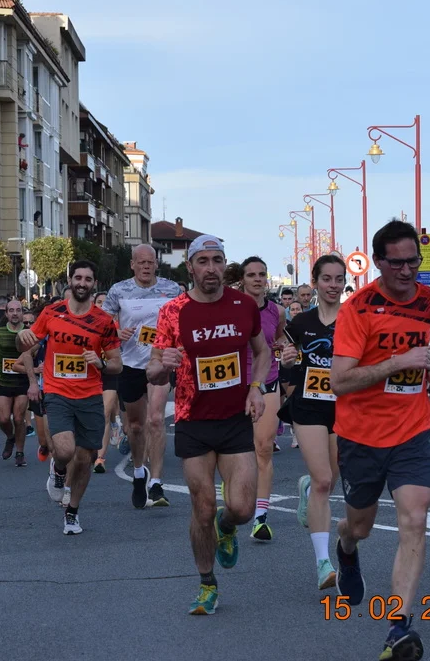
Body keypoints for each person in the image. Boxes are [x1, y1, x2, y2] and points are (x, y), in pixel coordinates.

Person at [330, 220, 430, 660]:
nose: (407, 271)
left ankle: (399, 627)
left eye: (413, 262)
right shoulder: (358, 309)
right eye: (397, 263)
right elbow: (340, 381)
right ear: (379, 262)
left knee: (415, 518)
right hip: (361, 435)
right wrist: (395, 363)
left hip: (412, 430)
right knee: (360, 527)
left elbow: (417, 358)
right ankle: (346, 547)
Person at [146, 235, 270, 615]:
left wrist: (256, 388)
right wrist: (162, 366)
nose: (211, 268)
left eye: (218, 260)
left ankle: (227, 525)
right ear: (191, 267)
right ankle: (207, 583)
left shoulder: (243, 305)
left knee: (243, 509)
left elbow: (262, 351)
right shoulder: (172, 312)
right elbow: (152, 370)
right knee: (201, 508)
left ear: (225, 265)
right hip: (192, 419)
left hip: (234, 419)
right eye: (203, 261)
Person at [16, 260, 122, 535]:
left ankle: (72, 512)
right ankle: (59, 468)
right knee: (64, 450)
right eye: (78, 278)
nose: (82, 283)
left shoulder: (104, 322)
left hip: (90, 395)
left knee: (86, 459)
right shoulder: (51, 313)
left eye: (88, 279)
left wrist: (100, 362)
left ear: (94, 284)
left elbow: (117, 364)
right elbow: (25, 347)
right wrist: (23, 337)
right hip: (57, 391)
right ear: (70, 280)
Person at [281, 253, 345, 589]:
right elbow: (286, 360)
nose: (333, 285)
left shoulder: (353, 320)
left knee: (329, 479)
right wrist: (287, 360)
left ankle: (306, 489)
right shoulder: (300, 323)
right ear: (315, 282)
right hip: (308, 406)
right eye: (327, 279)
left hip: (343, 407)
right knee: (323, 480)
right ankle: (323, 563)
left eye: (339, 279)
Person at [101, 244, 181, 506]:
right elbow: (101, 323)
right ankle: (139, 472)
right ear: (132, 265)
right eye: (141, 262)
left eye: (150, 262)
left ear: (157, 264)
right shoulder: (119, 290)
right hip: (130, 364)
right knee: (135, 426)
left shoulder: (172, 289)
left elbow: (184, 320)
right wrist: (116, 332)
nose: (146, 266)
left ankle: (156, 483)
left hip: (160, 362)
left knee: (156, 419)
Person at [238, 256, 285, 541]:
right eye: (252, 275)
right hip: (235, 384)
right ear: (242, 279)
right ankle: (233, 492)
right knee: (237, 451)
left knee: (264, 448)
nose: (258, 279)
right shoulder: (231, 308)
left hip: (268, 380)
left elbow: (279, 340)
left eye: (262, 274)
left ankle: (261, 518)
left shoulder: (277, 311)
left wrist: (283, 349)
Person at [0, 298, 31, 467]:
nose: (14, 313)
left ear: (22, 313)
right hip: (3, 381)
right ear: (6, 313)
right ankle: (10, 437)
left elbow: (34, 354)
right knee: (4, 418)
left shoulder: (28, 332)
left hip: (22, 381)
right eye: (11, 310)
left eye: (18, 310)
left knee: (19, 419)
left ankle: (20, 452)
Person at [91, 291, 120, 473]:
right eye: (99, 302)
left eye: (105, 302)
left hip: (109, 372)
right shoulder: (87, 324)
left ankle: (100, 458)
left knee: (104, 413)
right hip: (90, 374)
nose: (102, 305)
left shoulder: (117, 325)